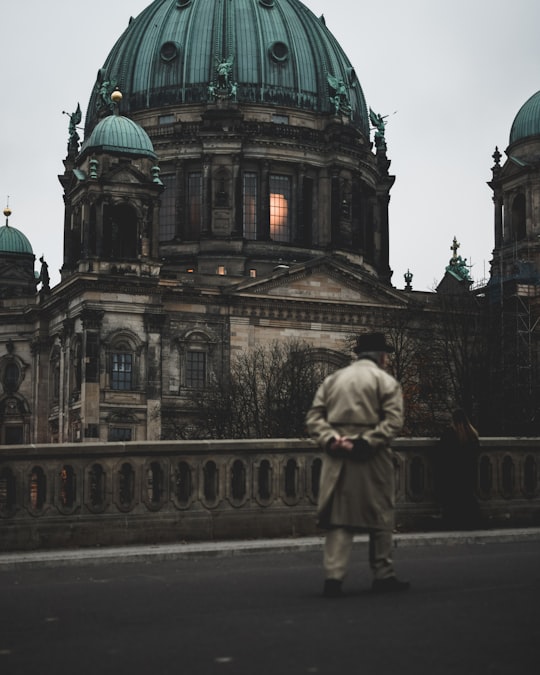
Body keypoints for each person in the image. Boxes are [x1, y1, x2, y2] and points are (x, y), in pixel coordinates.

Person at [305, 332, 409, 597]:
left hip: (337, 456)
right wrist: (364, 442)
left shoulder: (333, 380)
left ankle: (333, 578)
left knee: (339, 518)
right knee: (381, 515)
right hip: (372, 457)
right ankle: (383, 574)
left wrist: (333, 440)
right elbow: (394, 422)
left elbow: (315, 418)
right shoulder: (385, 381)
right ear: (381, 357)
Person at [435, 409, 481, 530]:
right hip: (468, 474)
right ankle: (469, 523)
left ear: (453, 421)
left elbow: (441, 454)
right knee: (467, 499)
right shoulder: (473, 435)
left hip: (453, 475)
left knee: (453, 501)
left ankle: (454, 523)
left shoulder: (450, 434)